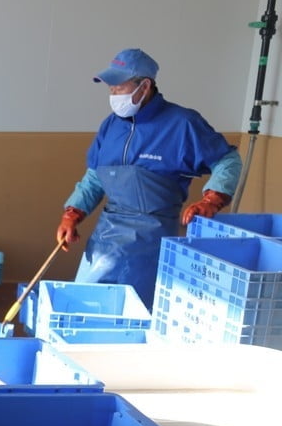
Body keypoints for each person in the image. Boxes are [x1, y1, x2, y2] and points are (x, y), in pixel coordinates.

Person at [56, 48, 241, 309]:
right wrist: (73, 213)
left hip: (150, 239)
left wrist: (212, 199)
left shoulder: (182, 124)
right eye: (110, 88)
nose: (113, 94)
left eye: (119, 87)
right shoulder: (111, 125)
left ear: (145, 86)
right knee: (86, 306)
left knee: (135, 311)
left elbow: (227, 160)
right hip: (106, 237)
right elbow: (96, 176)